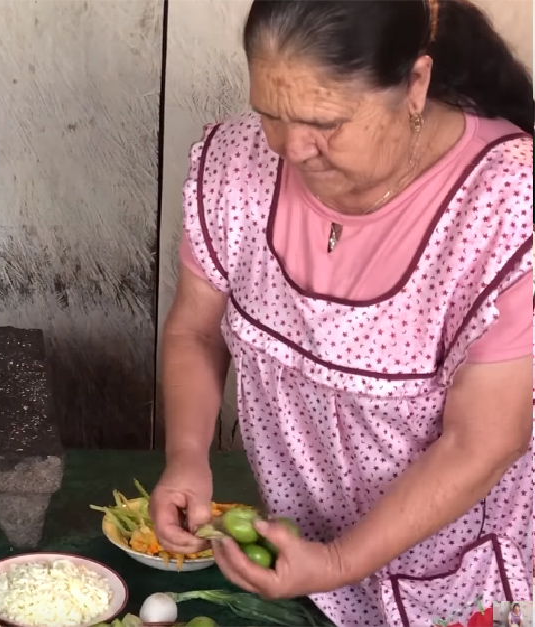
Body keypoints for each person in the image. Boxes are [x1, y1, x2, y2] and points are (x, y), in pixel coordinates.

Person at [151, 1, 532, 625]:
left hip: (462, 566)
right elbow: (195, 329)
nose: (292, 148)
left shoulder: (506, 201)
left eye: (323, 121)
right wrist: (187, 455)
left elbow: (485, 439)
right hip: (307, 545)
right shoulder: (237, 164)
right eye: (269, 114)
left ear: (415, 83)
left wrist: (339, 561)